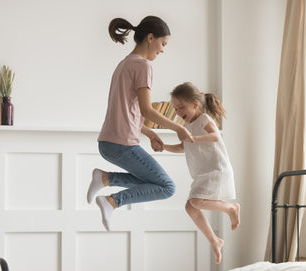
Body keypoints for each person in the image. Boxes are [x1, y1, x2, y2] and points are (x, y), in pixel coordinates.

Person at [86, 16, 193, 231]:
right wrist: (179, 128)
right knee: (167, 187)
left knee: (154, 183)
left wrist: (150, 134)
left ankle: (105, 178)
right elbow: (146, 110)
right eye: (163, 44)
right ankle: (111, 201)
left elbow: (126, 112)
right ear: (150, 38)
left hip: (108, 142)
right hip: (122, 144)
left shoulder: (123, 65)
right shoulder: (143, 66)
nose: (163, 50)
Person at [163, 82, 240, 264]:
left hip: (217, 168)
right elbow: (183, 147)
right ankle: (215, 240)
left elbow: (215, 136)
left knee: (196, 201)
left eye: (181, 107)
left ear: (195, 105)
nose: (177, 111)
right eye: (175, 108)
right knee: (191, 207)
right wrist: (164, 147)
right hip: (202, 173)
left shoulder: (204, 119)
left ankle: (232, 208)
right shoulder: (186, 126)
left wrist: (193, 138)